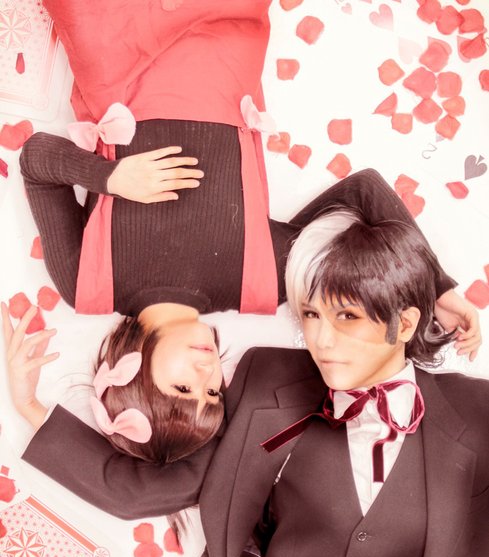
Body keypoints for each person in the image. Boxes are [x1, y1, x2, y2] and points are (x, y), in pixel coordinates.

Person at [5, 208, 488, 557]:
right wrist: (29, 406)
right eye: (311, 314)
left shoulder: (477, 413)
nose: (322, 340)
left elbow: (364, 187)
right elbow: (149, 490)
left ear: (405, 324)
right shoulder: (267, 382)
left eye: (347, 316)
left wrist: (438, 285)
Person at [17, 1, 479, 464]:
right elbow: (363, 191)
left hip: (117, 52)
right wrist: (436, 288)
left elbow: (37, 159)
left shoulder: (88, 287)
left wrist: (110, 178)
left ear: (130, 374)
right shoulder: (259, 284)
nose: (206, 373)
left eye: (183, 387)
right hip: (222, 39)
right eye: (212, 392)